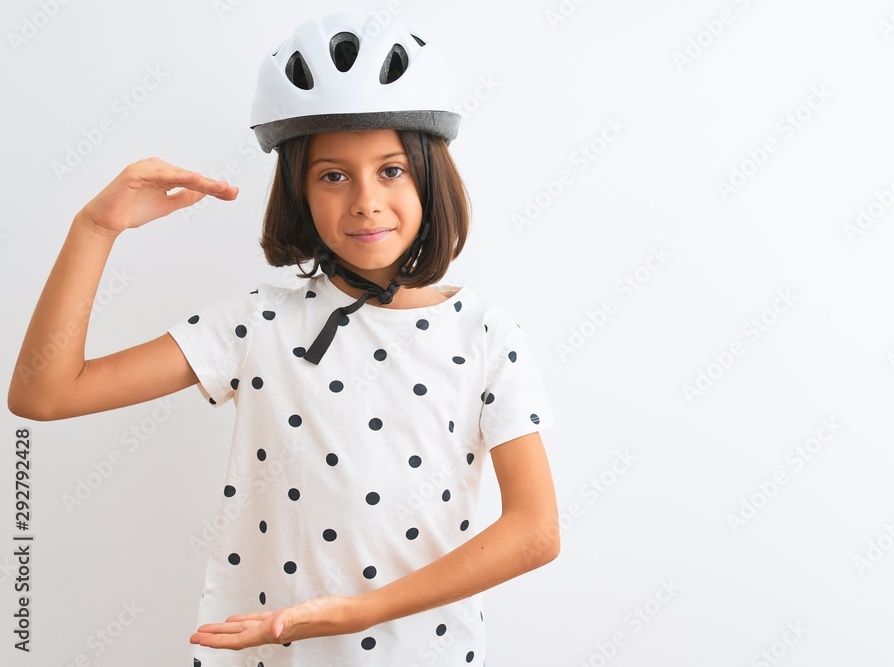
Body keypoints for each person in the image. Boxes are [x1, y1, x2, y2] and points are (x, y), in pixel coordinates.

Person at [7, 11, 559, 667]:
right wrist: (96, 228)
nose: (365, 200)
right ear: (299, 191)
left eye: (391, 170)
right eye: (333, 175)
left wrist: (361, 611)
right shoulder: (255, 324)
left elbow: (535, 531)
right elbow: (44, 394)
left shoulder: (486, 333)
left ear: (430, 176)